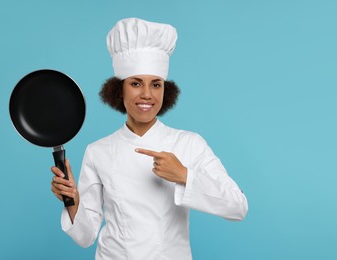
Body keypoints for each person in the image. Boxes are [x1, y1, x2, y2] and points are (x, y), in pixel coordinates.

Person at [50, 18, 248, 260]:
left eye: (156, 84)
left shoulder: (189, 144)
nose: (146, 94)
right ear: (119, 89)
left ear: (166, 90)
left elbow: (237, 206)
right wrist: (73, 200)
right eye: (135, 83)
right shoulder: (98, 151)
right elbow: (85, 237)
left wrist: (184, 176)